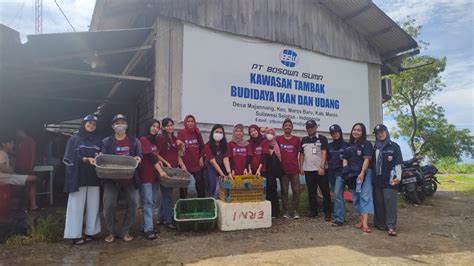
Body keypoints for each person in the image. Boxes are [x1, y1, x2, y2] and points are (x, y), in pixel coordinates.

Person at [102, 114, 142, 243]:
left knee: (134, 204)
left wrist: (138, 158)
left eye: (123, 122)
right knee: (108, 205)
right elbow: (102, 157)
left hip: (129, 177)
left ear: (127, 125)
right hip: (111, 178)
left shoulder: (134, 141)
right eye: (117, 123)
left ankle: (125, 230)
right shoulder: (106, 141)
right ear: (113, 126)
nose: (120, 125)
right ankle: (112, 231)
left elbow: (139, 154)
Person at [62, 115, 102, 245]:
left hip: (94, 177)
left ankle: (91, 232)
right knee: (76, 207)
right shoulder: (74, 139)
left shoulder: (97, 140)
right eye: (89, 123)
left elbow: (101, 156)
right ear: (84, 124)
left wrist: (100, 157)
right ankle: (75, 234)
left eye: (94, 124)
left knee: (93, 205)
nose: (92, 126)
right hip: (78, 178)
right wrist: (84, 159)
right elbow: (68, 158)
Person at [342, 123, 374, 233]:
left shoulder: (366, 144)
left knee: (364, 196)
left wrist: (363, 172)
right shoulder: (348, 145)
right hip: (352, 175)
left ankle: (365, 224)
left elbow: (366, 159)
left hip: (363, 174)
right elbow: (345, 159)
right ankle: (360, 220)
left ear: (363, 132)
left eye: (359, 130)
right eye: (354, 129)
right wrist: (345, 170)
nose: (356, 132)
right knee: (356, 198)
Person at [138, 119, 168, 240]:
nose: (155, 129)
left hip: (154, 175)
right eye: (153, 126)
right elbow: (150, 156)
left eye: (157, 127)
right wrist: (161, 171)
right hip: (145, 175)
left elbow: (156, 154)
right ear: (148, 127)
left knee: (153, 202)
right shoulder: (143, 139)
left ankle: (147, 225)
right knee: (147, 202)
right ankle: (148, 229)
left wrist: (162, 162)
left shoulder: (155, 140)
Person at [372, 124, 403, 236]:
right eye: (377, 133)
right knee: (379, 202)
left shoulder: (394, 146)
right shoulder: (375, 147)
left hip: (390, 180)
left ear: (386, 132)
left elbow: (398, 163)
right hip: (378, 180)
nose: (380, 135)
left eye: (382, 132)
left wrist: (398, 177)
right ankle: (380, 224)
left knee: (390, 202)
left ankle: (391, 226)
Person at [299, 120, 331, 220]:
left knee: (325, 191)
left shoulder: (322, 138)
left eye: (312, 127)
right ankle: (313, 211)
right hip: (308, 170)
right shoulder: (304, 140)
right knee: (311, 192)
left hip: (320, 170)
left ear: (316, 127)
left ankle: (327, 212)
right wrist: (300, 167)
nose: (310, 129)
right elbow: (302, 154)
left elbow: (324, 152)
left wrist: (321, 167)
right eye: (308, 127)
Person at [156, 118, 185, 230]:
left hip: (173, 170)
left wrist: (181, 164)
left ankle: (160, 218)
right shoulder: (160, 138)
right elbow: (156, 153)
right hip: (164, 170)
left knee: (166, 194)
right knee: (167, 195)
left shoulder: (175, 139)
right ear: (163, 127)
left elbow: (178, 154)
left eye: (171, 125)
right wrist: (166, 162)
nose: (170, 127)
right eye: (167, 125)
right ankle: (168, 220)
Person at [0, 135, 39, 211]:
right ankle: (32, 205)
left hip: (6, 177)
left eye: (13, 143)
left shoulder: (5, 154)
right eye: (10, 143)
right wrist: (14, 174)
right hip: (3, 177)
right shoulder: (1, 153)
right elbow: (2, 168)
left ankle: (28, 205)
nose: (12, 145)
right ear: (3, 144)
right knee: (33, 178)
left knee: (31, 181)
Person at [276, 118, 301, 219]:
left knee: (296, 190)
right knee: (284, 191)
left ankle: (295, 211)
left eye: (289, 125)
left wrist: (300, 166)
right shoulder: (278, 139)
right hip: (283, 170)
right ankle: (286, 211)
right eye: (285, 125)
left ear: (292, 127)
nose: (287, 127)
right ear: (282, 127)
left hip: (294, 169)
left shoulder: (297, 139)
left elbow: (299, 154)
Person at [177, 115, 206, 198]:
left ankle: (201, 204)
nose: (190, 123)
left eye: (192, 121)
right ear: (185, 122)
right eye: (188, 121)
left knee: (200, 184)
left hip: (196, 163)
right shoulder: (181, 133)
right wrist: (181, 164)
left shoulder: (197, 132)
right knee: (183, 187)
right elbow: (179, 150)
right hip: (185, 164)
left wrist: (201, 157)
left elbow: (202, 147)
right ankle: (183, 207)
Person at [327, 124, 349, 226]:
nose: (335, 134)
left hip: (341, 174)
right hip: (331, 173)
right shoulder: (329, 146)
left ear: (340, 132)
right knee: (338, 195)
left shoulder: (346, 145)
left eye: (336, 132)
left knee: (337, 194)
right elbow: (327, 158)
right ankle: (343, 216)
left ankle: (338, 219)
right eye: (332, 133)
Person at [204, 124, 231, 199]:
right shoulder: (207, 145)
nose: (218, 134)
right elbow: (213, 162)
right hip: (211, 169)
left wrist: (229, 173)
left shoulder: (225, 145)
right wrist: (223, 175)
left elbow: (226, 159)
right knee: (215, 188)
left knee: (224, 189)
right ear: (212, 133)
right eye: (216, 132)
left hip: (222, 167)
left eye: (220, 132)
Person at [263, 127, 282, 218]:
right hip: (263, 170)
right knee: (264, 191)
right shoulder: (263, 142)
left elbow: (278, 158)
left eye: (272, 132)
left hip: (272, 171)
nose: (270, 134)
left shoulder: (276, 144)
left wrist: (272, 153)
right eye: (268, 132)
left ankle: (274, 212)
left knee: (272, 190)